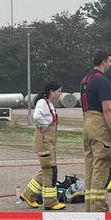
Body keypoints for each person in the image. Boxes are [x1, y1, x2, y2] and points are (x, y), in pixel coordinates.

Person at [81, 51, 111, 212]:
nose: (110, 64)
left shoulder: (85, 80)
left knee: (90, 165)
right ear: (104, 62)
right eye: (110, 61)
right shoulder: (101, 80)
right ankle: (99, 207)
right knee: (101, 165)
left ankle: (90, 206)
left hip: (87, 122)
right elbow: (107, 109)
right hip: (99, 124)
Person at [20, 81, 66, 210]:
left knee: (45, 170)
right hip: (45, 141)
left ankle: (28, 194)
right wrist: (46, 124)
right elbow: (36, 117)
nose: (60, 94)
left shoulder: (48, 103)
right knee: (51, 170)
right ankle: (51, 202)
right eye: (58, 91)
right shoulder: (42, 103)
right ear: (51, 92)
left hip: (49, 141)